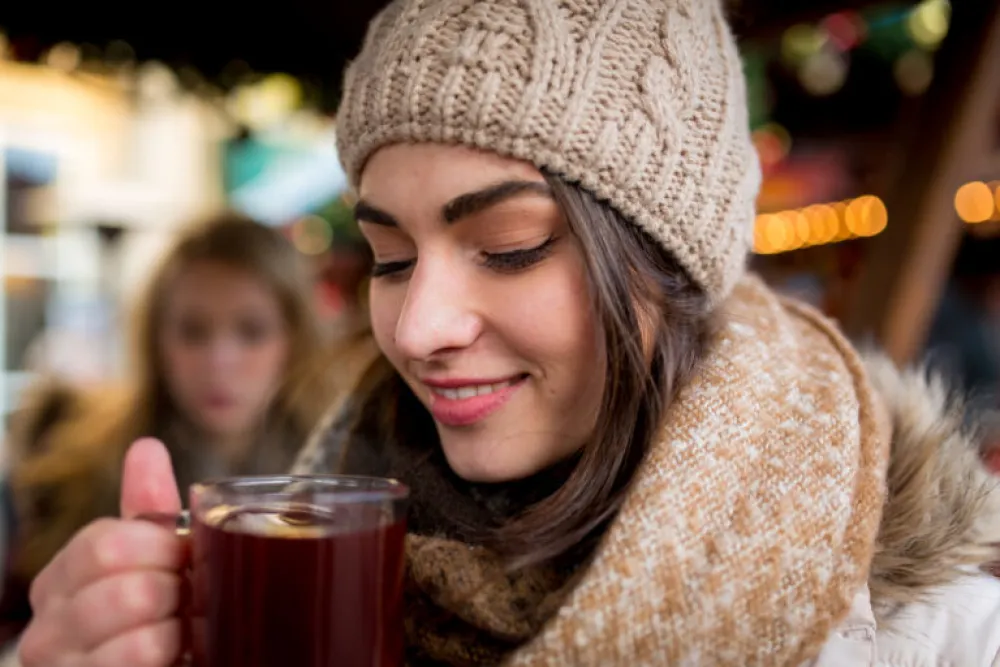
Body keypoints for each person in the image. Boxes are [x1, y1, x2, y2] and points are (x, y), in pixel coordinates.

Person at [17, 2, 1000, 665]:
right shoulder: (313, 573)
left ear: (672, 265)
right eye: (390, 257)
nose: (417, 325)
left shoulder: (942, 631)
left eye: (510, 243)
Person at [1, 211, 337, 655]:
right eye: (193, 331)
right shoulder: (60, 477)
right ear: (156, 341)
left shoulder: (344, 481)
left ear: (293, 342)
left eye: (251, 331)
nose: (220, 361)